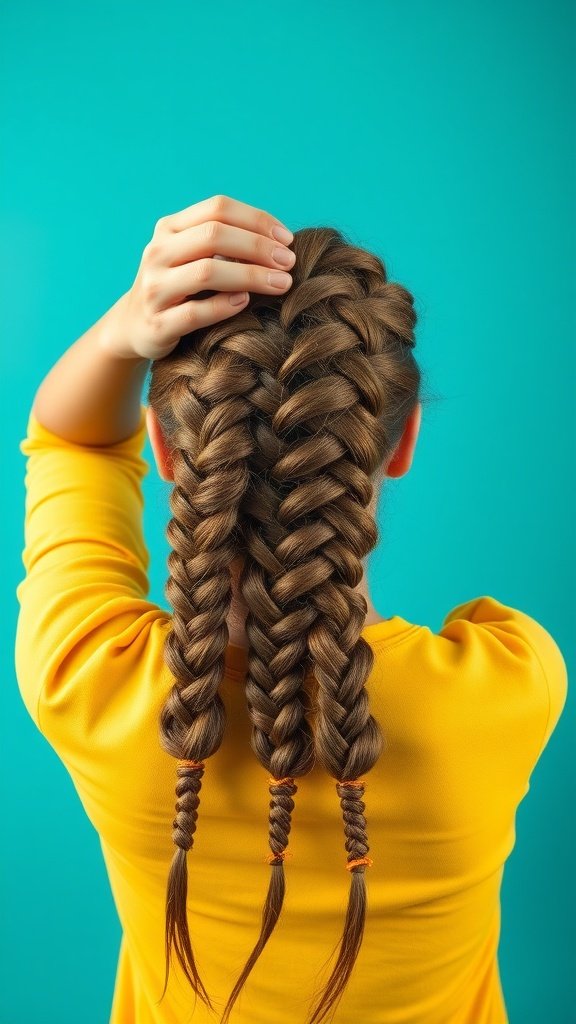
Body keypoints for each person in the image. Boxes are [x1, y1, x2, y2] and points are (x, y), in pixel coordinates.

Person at [15, 194, 568, 1024]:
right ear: (401, 440)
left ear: (169, 452)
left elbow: (71, 440)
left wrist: (125, 328)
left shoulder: (89, 680)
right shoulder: (509, 683)